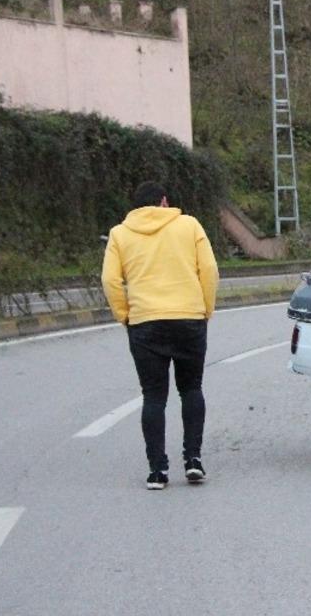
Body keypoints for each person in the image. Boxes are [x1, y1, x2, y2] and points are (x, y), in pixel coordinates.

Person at [102, 182, 220, 490]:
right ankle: (193, 460)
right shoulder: (189, 225)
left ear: (136, 207)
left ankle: (157, 471)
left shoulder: (120, 234)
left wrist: (124, 315)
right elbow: (209, 269)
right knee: (191, 389)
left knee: (154, 396)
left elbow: (110, 280)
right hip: (189, 318)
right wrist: (205, 308)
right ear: (164, 202)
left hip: (145, 324)